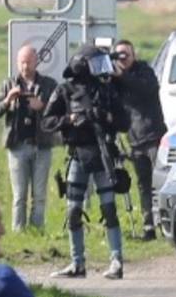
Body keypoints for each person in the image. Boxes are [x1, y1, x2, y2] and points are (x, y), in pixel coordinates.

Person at [42, 44, 130, 279]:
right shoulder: (65, 90)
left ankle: (116, 261)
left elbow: (125, 122)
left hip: (103, 155)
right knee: (73, 211)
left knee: (109, 208)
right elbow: (47, 121)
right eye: (96, 63)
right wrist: (70, 119)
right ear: (82, 66)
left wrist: (106, 117)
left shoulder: (107, 90)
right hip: (77, 155)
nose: (102, 69)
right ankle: (77, 263)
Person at [0, 45, 58, 231]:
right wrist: (7, 101)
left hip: (41, 145)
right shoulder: (8, 84)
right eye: (22, 62)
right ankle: (18, 231)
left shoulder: (48, 85)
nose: (25, 66)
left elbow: (60, 112)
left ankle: (37, 229)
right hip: (17, 145)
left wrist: (42, 107)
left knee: (39, 194)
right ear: (17, 62)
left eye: (28, 61)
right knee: (19, 195)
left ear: (36, 62)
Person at [111, 39, 168, 241]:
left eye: (126, 54)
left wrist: (122, 76)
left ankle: (167, 224)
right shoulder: (115, 80)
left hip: (153, 136)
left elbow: (146, 90)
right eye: (119, 55)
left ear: (134, 55)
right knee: (143, 185)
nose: (123, 59)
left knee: (160, 183)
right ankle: (148, 227)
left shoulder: (144, 71)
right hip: (134, 140)